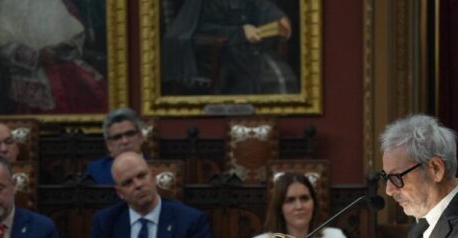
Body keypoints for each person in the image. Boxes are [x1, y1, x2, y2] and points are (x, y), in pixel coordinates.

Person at [82, 152, 214, 238]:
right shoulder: (105, 222)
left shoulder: (190, 221)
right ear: (120, 193)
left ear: (153, 175)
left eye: (141, 176)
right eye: (128, 183)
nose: (138, 185)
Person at [0, 0, 107, 114]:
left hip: (65, 68)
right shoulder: (6, 3)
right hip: (31, 76)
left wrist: (65, 47)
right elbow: (0, 45)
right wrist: (38, 55)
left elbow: (75, 34)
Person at [162, 0, 298, 95]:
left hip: (253, 51)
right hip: (218, 56)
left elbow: (262, 6)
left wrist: (279, 19)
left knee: (285, 78)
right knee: (253, 82)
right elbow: (197, 29)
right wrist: (240, 32)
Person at [247, 172, 359, 238]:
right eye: (290, 200)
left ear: (313, 203)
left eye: (304, 198)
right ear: (279, 207)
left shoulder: (336, 237)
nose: (299, 206)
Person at [85, 108, 145, 185]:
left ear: (141, 137)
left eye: (130, 134)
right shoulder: (95, 171)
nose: (125, 141)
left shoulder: (157, 167)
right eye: (117, 137)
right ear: (109, 145)